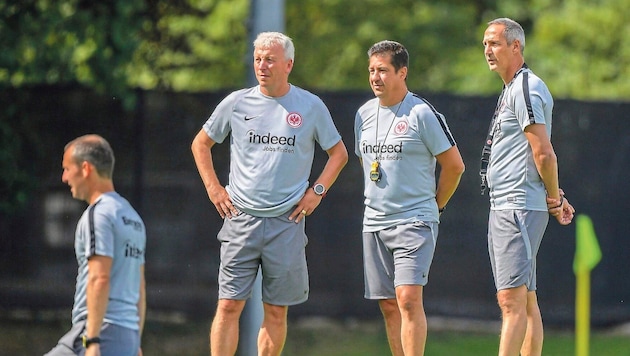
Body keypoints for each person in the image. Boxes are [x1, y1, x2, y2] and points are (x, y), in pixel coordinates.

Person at [191, 31, 348, 356]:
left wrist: (316, 191)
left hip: (286, 223)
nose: (262, 66)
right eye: (258, 59)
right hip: (240, 219)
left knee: (276, 310)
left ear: (288, 64)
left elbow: (339, 154)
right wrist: (214, 188)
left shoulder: (310, 106)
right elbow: (201, 143)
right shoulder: (237, 102)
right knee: (229, 305)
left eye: (270, 59)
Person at [354, 40, 465, 355]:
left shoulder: (422, 113)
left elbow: (455, 166)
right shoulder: (362, 114)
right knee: (389, 304)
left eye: (384, 70)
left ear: (402, 72)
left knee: (407, 298)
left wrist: (435, 206)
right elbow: (367, 164)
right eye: (372, 70)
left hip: (414, 220)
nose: (376, 77)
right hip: (374, 222)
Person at [480, 18, 576, 356]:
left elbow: (544, 153)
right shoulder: (513, 88)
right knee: (525, 298)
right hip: (511, 204)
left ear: (516, 46)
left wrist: (553, 197)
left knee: (511, 301)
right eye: (485, 44)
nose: (487, 50)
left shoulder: (526, 87)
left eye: (494, 43)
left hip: (517, 205)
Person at [46, 134, 146, 356]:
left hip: (100, 331)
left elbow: (99, 277)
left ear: (85, 168)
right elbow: (139, 287)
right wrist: (135, 343)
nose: (64, 177)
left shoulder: (98, 214)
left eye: (67, 169)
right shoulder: (133, 218)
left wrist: (91, 341)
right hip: (127, 336)